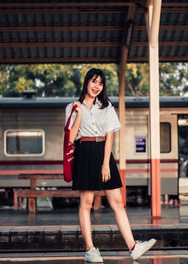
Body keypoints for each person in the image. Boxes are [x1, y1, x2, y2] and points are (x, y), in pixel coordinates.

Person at [65, 68, 156, 262]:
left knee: (117, 203)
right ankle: (90, 250)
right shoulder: (72, 107)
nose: (97, 86)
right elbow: (71, 138)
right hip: (84, 150)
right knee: (86, 203)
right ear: (86, 82)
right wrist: (79, 115)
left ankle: (133, 246)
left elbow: (110, 136)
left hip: (103, 153)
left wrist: (106, 164)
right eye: (93, 81)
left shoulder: (106, 106)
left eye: (100, 83)